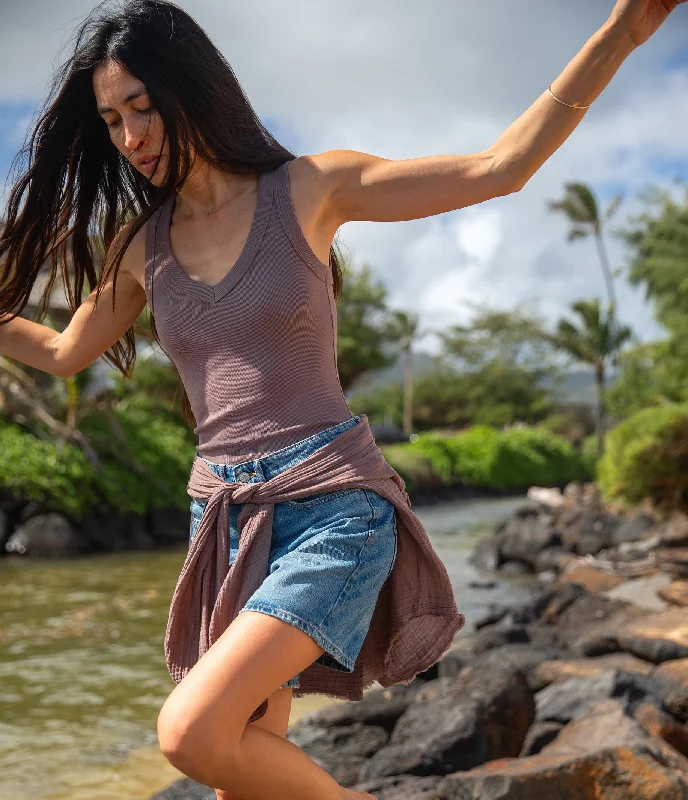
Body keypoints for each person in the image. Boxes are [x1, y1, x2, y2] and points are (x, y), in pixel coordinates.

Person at [0, 1, 684, 798]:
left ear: (193, 89)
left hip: (331, 506)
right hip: (223, 520)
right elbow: (59, 352)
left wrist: (619, 35)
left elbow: (500, 167)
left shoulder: (309, 188)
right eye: (113, 120)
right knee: (240, 777)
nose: (131, 137)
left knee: (189, 732)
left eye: (143, 107)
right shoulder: (140, 247)